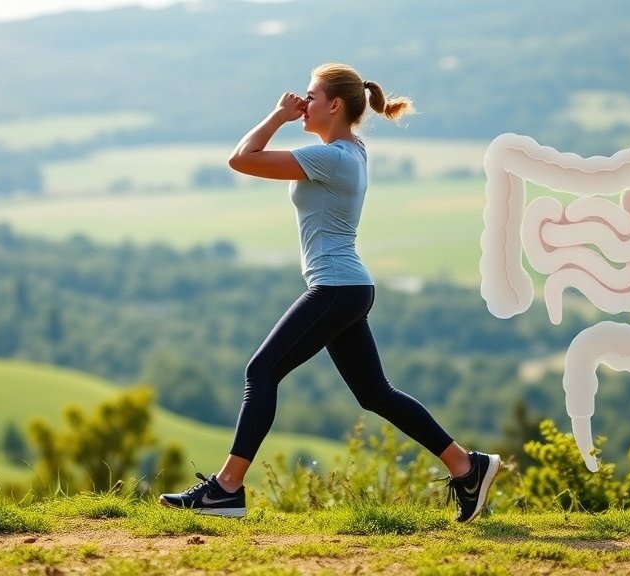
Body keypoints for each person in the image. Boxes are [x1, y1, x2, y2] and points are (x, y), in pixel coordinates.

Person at [159, 63, 502, 523]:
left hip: (337, 288)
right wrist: (296, 118)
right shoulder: (350, 151)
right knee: (376, 393)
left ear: (335, 105)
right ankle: (467, 467)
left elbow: (241, 159)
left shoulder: (335, 157)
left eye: (311, 96)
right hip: (349, 287)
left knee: (261, 372)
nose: (303, 103)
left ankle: (226, 488)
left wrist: (278, 116)